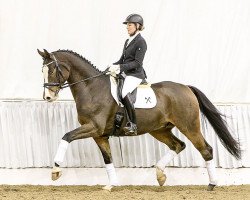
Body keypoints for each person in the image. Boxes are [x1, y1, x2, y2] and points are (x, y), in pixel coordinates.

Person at [108, 14, 147, 135]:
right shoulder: (127, 41)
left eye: (129, 25)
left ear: (137, 26)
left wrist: (120, 67)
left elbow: (137, 63)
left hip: (135, 75)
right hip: (126, 73)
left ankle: (133, 125)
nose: (127, 27)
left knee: (124, 92)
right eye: (127, 25)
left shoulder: (141, 42)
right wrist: (111, 66)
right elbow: (122, 59)